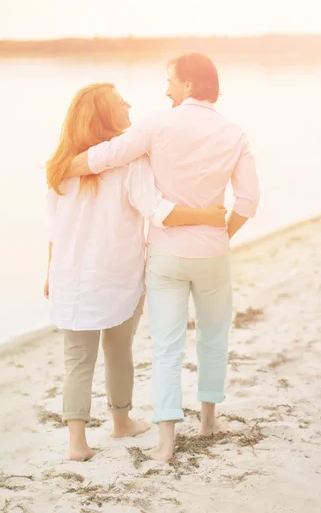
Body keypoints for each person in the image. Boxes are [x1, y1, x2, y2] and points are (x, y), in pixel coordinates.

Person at [63, 54, 260, 461]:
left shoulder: (156, 124)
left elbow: (110, 155)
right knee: (213, 337)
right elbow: (248, 200)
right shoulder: (234, 133)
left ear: (188, 85)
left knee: (167, 346)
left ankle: (166, 443)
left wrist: (66, 166)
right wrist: (221, 234)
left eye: (169, 80)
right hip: (212, 255)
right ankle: (207, 422)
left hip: (167, 255)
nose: (165, 88)